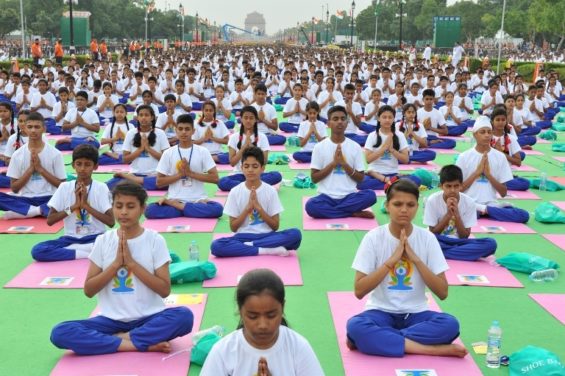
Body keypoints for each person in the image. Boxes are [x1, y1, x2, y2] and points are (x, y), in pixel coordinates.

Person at [50, 182, 194, 355]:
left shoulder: (155, 240)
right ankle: (134, 342)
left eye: (130, 206)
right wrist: (116, 265)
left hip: (149, 318)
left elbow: (164, 290)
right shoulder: (103, 241)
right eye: (119, 206)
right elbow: (89, 290)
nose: (124, 212)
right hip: (111, 321)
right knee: (60, 332)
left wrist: (132, 264)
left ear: (142, 209)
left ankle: (118, 339)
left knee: (184, 316)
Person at [346, 178, 467, 358]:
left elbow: (442, 292)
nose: (404, 210)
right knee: (356, 325)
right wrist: (391, 261)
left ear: (417, 207)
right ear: (387, 206)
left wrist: (416, 259)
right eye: (398, 204)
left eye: (410, 205)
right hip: (380, 313)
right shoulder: (373, 238)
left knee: (450, 324)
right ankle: (430, 349)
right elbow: (359, 290)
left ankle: (378, 341)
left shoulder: (427, 239)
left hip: (417, 315)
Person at [200, 269, 324, 375]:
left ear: (283, 308)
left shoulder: (298, 347)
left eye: (271, 315)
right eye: (253, 316)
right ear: (240, 310)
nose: (263, 325)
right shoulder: (222, 352)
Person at [211, 147, 301, 257]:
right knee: (216, 246)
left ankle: (249, 246)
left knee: (295, 235)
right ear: (242, 168)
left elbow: (275, 226)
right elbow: (233, 227)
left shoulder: (270, 191)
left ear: (262, 168)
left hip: (267, 236)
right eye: (246, 166)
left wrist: (259, 208)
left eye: (255, 166)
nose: (250, 170)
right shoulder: (235, 192)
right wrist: (247, 209)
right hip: (243, 236)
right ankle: (266, 250)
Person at [31, 145, 114, 261]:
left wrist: (86, 206)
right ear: (73, 165)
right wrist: (74, 206)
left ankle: (80, 249)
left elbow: (111, 222)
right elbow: (50, 220)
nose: (82, 168)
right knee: (38, 250)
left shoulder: (101, 187)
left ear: (95, 166)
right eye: (79, 164)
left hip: (96, 237)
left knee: (118, 245)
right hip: (70, 238)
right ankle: (86, 252)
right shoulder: (64, 187)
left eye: (87, 164)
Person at [144, 114, 223, 219]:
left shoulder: (203, 151)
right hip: (176, 199)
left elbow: (215, 178)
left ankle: (180, 209)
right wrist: (180, 175)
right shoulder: (168, 153)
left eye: (187, 129)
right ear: (176, 131)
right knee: (150, 210)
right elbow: (159, 182)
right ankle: (185, 209)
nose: (184, 132)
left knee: (218, 209)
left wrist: (191, 174)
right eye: (180, 129)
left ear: (193, 131)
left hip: (198, 200)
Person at [305, 105, 377, 219]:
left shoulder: (355, 147)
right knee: (311, 206)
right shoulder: (319, 147)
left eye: (343, 119)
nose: (340, 122)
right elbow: (314, 178)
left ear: (347, 123)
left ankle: (337, 212)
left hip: (349, 197)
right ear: (328, 123)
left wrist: (344, 164)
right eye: (335, 119)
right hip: (326, 197)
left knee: (370, 195)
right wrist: (333, 163)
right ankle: (352, 212)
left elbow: (361, 178)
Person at [455, 116, 529, 223]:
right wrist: (477, 173)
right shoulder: (464, 157)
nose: (486, 135)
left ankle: (484, 210)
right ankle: (482, 210)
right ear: (475, 134)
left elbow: (503, 193)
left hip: (491, 204)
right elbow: (458, 190)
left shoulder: (500, 156)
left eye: (489, 132)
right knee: (463, 213)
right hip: (469, 202)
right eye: (482, 132)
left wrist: (488, 175)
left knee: (523, 215)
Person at [423, 164, 497, 261]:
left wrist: (456, 214)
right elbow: (433, 232)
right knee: (424, 240)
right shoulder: (432, 200)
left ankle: (440, 252)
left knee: (491, 243)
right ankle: (461, 253)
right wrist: (448, 215)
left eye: (456, 186)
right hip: (438, 239)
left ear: (461, 186)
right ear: (441, 186)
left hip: (459, 242)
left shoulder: (469, 202)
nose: (452, 190)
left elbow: (464, 236)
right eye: (448, 186)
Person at [0, 112, 66, 219]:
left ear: (44, 129)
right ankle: (39, 210)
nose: (33, 130)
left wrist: (40, 169)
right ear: (24, 129)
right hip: (25, 198)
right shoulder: (17, 155)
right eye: (30, 127)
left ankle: (27, 211)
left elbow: (62, 186)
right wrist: (30, 170)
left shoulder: (55, 153)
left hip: (49, 197)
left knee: (73, 198)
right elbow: (15, 189)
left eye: (37, 127)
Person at [218, 106, 282, 192]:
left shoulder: (262, 137)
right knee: (222, 182)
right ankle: (253, 185)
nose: (248, 121)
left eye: (251, 118)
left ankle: (245, 186)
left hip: (257, 174)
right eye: (246, 118)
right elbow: (232, 163)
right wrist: (244, 147)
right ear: (241, 119)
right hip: (240, 174)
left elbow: (264, 161)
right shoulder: (234, 137)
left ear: (256, 120)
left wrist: (251, 146)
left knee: (277, 175)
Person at [106, 105, 169, 191]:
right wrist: (140, 149)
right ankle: (138, 183)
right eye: (141, 115)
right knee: (107, 186)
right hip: (134, 174)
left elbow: (167, 160)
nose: (143, 118)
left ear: (152, 117)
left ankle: (133, 182)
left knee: (165, 182)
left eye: (146, 115)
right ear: (137, 117)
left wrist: (148, 149)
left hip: (154, 176)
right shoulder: (131, 133)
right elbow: (125, 159)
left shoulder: (160, 133)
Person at [357, 105, 420, 190]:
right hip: (375, 174)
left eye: (390, 117)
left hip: (393, 174)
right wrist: (384, 148)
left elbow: (406, 159)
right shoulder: (372, 136)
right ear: (379, 118)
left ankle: (389, 182)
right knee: (359, 183)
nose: (387, 120)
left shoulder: (399, 135)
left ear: (394, 119)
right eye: (384, 117)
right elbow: (368, 160)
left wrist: (392, 150)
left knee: (416, 180)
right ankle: (393, 184)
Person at [489, 106, 530, 191]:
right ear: (492, 122)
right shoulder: (487, 137)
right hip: (489, 174)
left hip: (505, 176)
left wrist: (502, 153)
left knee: (525, 183)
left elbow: (518, 162)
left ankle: (498, 184)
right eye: (498, 120)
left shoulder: (511, 139)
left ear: (506, 121)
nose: (500, 122)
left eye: (503, 120)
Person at [192, 101, 230, 165]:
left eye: (210, 110)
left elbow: (227, 141)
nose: (208, 112)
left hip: (217, 154)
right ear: (202, 111)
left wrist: (212, 138)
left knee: (231, 156)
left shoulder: (220, 123)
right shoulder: (196, 123)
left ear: (214, 111)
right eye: (206, 110)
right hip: (202, 153)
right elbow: (192, 143)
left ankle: (209, 159)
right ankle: (207, 159)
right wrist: (204, 138)